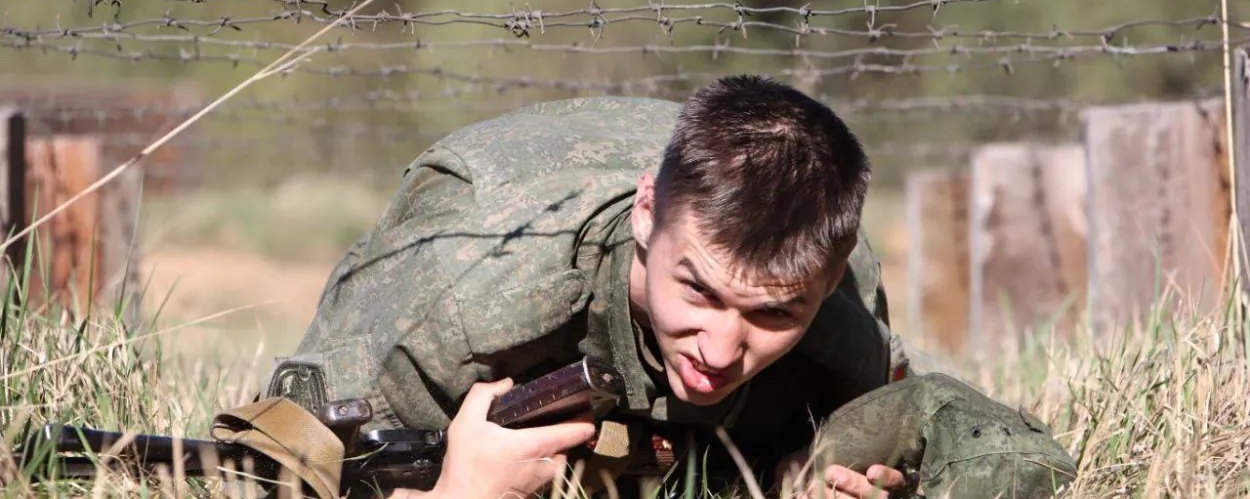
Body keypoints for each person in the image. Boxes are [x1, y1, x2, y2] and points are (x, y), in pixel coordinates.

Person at [259, 75, 1076, 499]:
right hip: (506, 200)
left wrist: (803, 472)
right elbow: (267, 467)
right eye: (700, 291)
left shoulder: (838, 296)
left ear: (828, 274)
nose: (721, 348)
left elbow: (920, 410)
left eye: (772, 313)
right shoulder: (465, 290)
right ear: (648, 214)